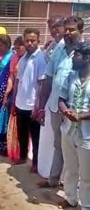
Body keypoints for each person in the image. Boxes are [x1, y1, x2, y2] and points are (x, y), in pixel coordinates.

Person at [37, 16, 84, 188]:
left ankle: (76, 186)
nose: (68, 32)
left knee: (78, 147)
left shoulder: (84, 52)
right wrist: (41, 106)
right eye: (67, 29)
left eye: (72, 29)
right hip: (57, 106)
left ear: (81, 31)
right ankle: (54, 180)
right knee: (60, 145)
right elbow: (49, 77)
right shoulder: (59, 49)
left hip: (77, 111)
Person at [57, 41, 90, 209]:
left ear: (87, 58)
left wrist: (81, 116)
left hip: (87, 135)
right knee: (70, 168)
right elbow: (61, 99)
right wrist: (66, 112)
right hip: (68, 129)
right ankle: (70, 198)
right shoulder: (71, 76)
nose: (73, 58)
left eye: (76, 55)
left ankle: (86, 205)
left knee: (87, 175)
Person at [12, 28, 46, 173]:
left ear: (38, 41)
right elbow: (17, 80)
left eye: (33, 40)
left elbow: (41, 84)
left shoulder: (40, 59)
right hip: (21, 103)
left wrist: (37, 106)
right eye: (27, 40)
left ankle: (36, 163)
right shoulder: (23, 57)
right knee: (22, 133)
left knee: (36, 136)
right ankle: (23, 156)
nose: (30, 43)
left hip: (33, 105)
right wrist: (14, 101)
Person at [38, 15, 66, 178]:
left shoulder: (71, 47)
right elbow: (47, 76)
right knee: (48, 138)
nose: (54, 30)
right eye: (51, 28)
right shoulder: (51, 47)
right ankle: (48, 173)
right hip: (50, 98)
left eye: (58, 26)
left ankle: (59, 176)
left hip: (63, 102)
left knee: (62, 143)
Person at [3, 36, 26, 161]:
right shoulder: (15, 58)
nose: (18, 49)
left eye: (20, 47)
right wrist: (7, 94)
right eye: (16, 48)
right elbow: (11, 78)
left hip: (28, 97)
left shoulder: (31, 59)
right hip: (16, 93)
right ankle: (16, 152)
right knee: (15, 125)